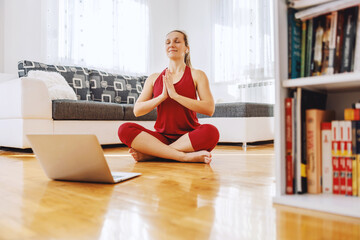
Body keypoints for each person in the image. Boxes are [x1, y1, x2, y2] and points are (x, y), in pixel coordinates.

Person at [118, 30, 219, 164]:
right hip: (161, 137)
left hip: (189, 137)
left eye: (177, 41)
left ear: (187, 48)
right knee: (124, 129)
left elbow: (209, 108)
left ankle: (154, 155)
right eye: (168, 42)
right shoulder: (154, 78)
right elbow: (137, 110)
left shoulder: (197, 75)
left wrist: (175, 96)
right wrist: (162, 97)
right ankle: (183, 156)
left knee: (211, 132)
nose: (171, 44)